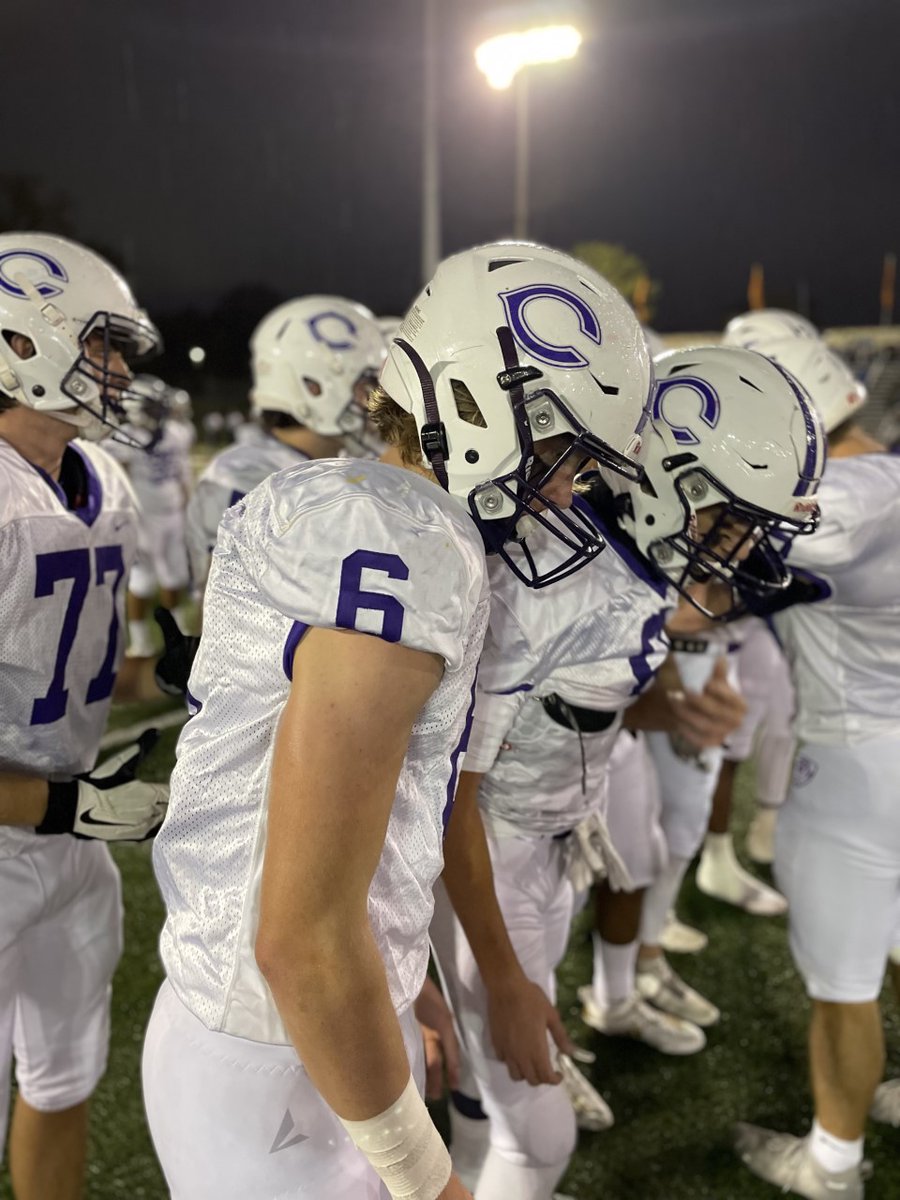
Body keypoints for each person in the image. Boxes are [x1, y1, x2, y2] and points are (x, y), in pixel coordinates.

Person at [141, 241, 651, 1200]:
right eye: (567, 455)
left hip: (288, 1038)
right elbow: (300, 936)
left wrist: (402, 974)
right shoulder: (400, 543)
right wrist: (430, 1180)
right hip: (277, 1055)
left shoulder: (382, 512)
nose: (572, 490)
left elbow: (351, 827)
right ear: (483, 410)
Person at [432, 344, 825, 1199]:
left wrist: (668, 711)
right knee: (540, 1137)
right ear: (667, 481)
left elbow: (577, 701)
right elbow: (448, 789)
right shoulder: (540, 578)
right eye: (730, 520)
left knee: (491, 1102)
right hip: (489, 859)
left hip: (552, 841)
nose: (743, 546)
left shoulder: (634, 564)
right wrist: (500, 975)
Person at [0, 232, 171, 1200]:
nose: (114, 372)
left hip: (62, 833)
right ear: (18, 344)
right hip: (30, 824)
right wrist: (63, 810)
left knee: (64, 1079)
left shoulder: (94, 479)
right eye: (100, 347)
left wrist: (164, 675)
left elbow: (71, 669)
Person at [733, 338, 899, 1200]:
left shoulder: (850, 493)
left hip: (856, 761)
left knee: (844, 985)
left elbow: (782, 536)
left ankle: (833, 1163)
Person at [185, 293, 385, 593]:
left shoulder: (324, 466)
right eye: (365, 386)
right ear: (314, 387)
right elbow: (232, 607)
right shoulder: (246, 476)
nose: (372, 400)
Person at [105, 375, 196, 652]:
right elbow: (118, 480)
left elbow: (182, 472)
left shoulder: (176, 433)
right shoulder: (124, 437)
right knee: (141, 581)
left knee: (174, 576)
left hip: (172, 515)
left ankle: (177, 634)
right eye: (154, 405)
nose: (160, 411)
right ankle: (142, 641)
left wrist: (188, 504)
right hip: (141, 518)